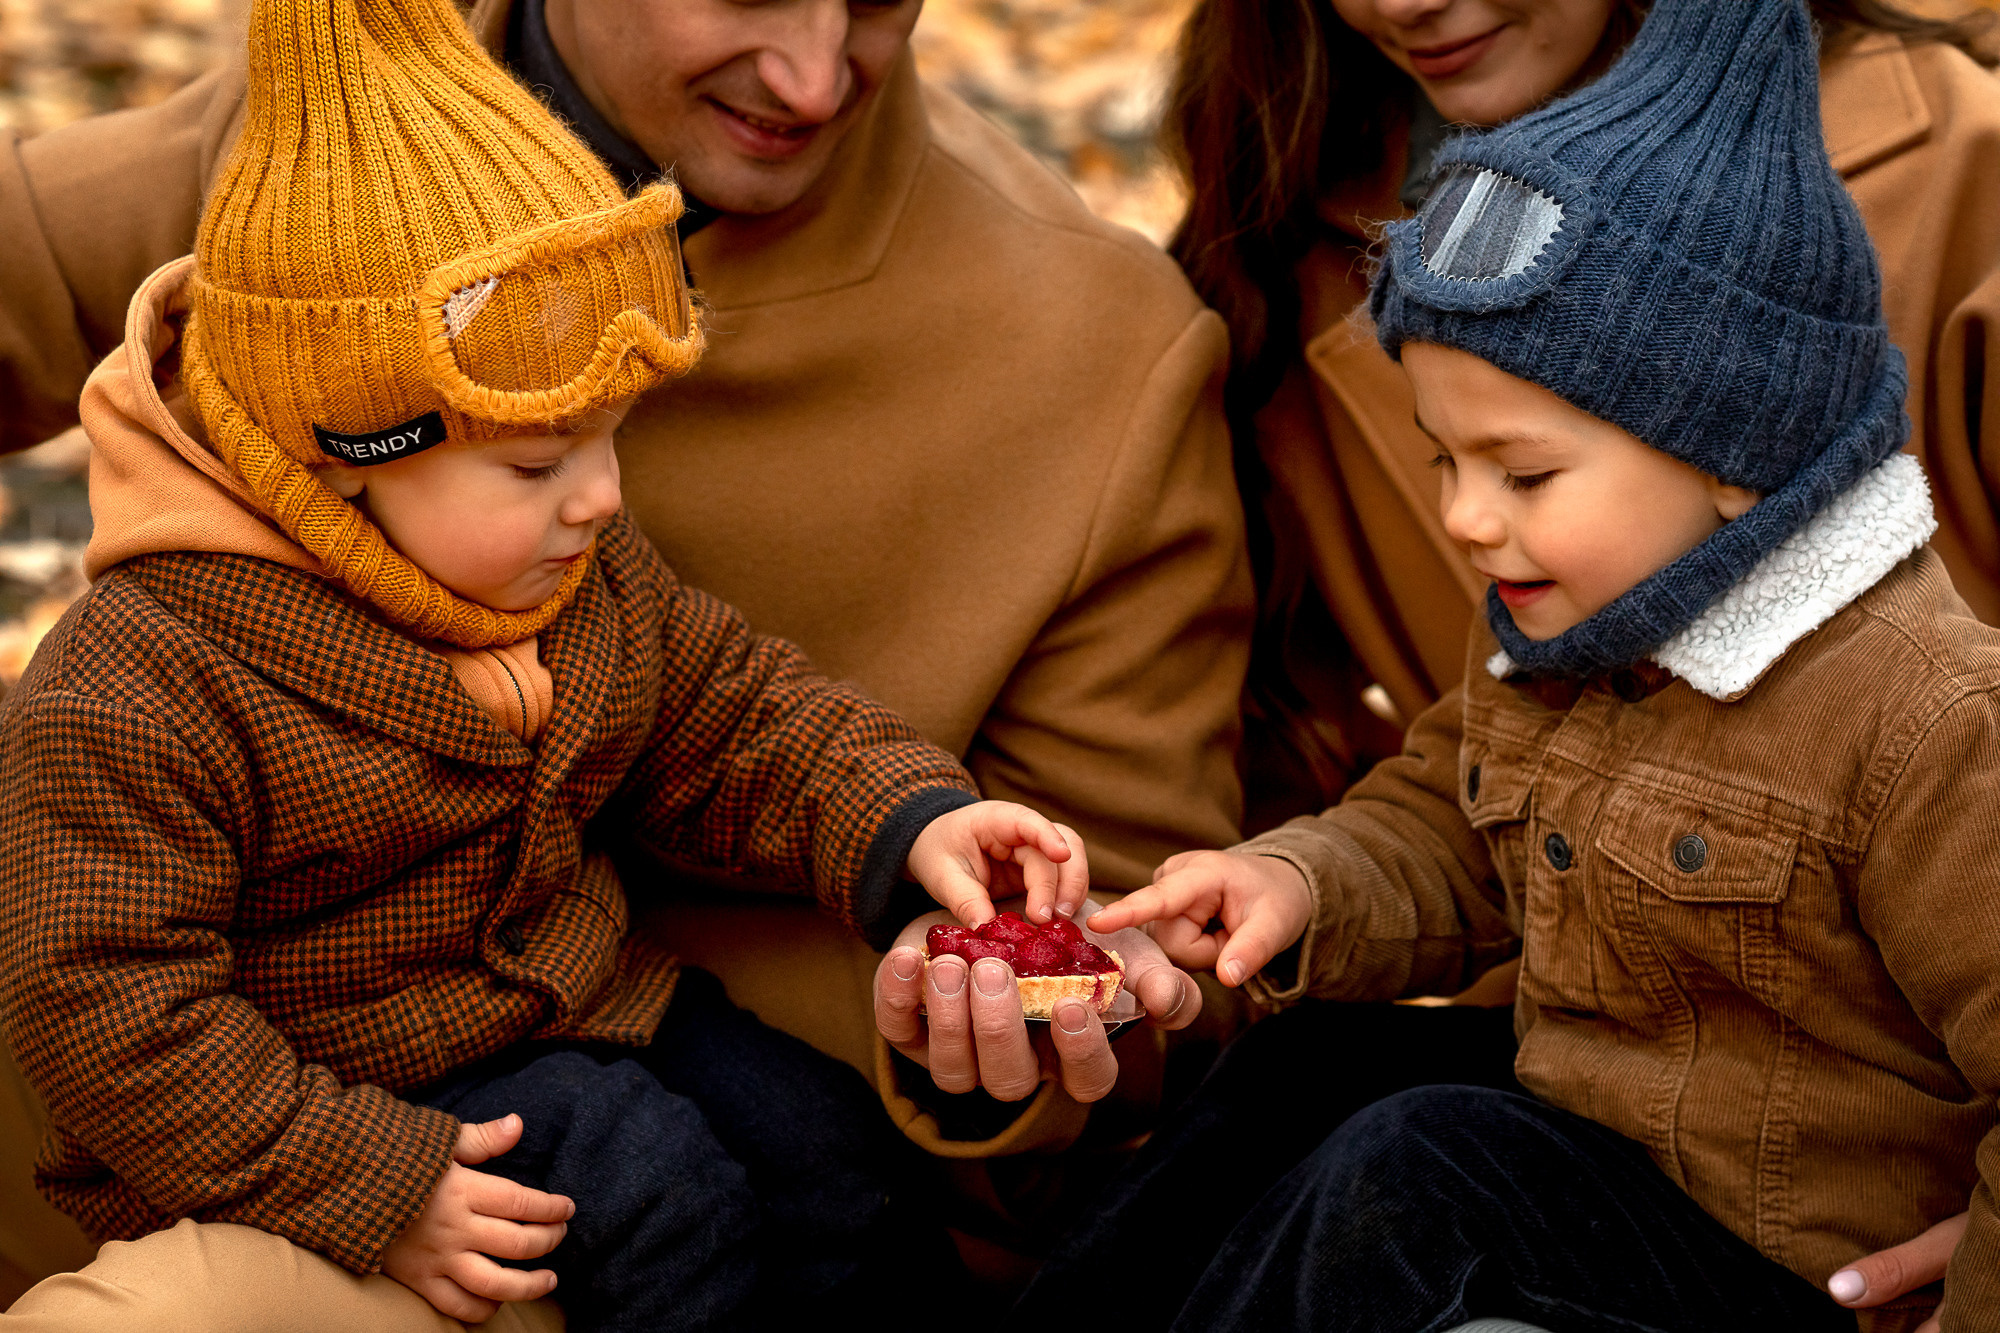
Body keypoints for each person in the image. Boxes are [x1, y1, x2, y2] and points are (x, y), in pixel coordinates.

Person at [0, 1, 1131, 1329]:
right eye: (541, 462)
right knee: (660, 1204)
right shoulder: (142, 682)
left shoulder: (558, 571)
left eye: (613, 443)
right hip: (332, 1095)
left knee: (832, 1159)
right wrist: (361, 1176)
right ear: (344, 452)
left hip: (583, 1008)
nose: (598, 498)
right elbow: (109, 1011)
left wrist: (905, 822)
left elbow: (731, 715)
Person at [1063, 0, 2000, 1327]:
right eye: (1449, 459)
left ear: (1730, 451)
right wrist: (1295, 881)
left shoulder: (1919, 715)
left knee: (1425, 1164)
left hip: (1797, 1253)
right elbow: (1450, 812)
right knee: (1310, 1069)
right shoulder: (1568, 622)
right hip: (1611, 1135)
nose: (1465, 516)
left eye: (1524, 471)